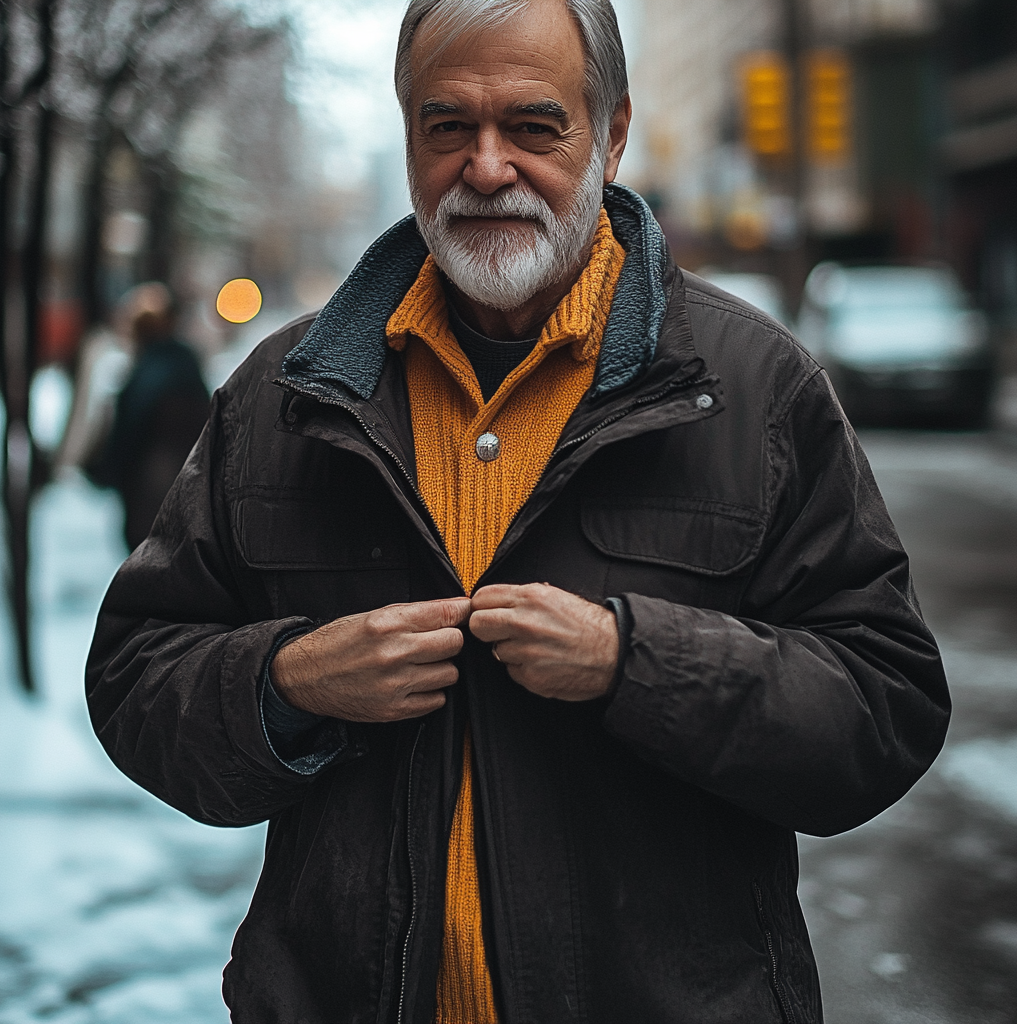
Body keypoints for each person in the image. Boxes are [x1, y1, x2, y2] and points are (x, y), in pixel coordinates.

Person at [86, 0, 950, 1019]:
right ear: (408, 133)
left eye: (533, 127)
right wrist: (286, 680)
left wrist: (638, 663)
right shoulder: (287, 391)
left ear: (611, 132)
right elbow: (137, 671)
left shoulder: (756, 387)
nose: (486, 167)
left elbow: (883, 704)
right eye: (447, 125)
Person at [86, 283, 211, 551]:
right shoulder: (186, 363)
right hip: (186, 487)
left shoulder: (148, 372)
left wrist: (108, 469)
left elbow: (129, 429)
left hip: (149, 487)